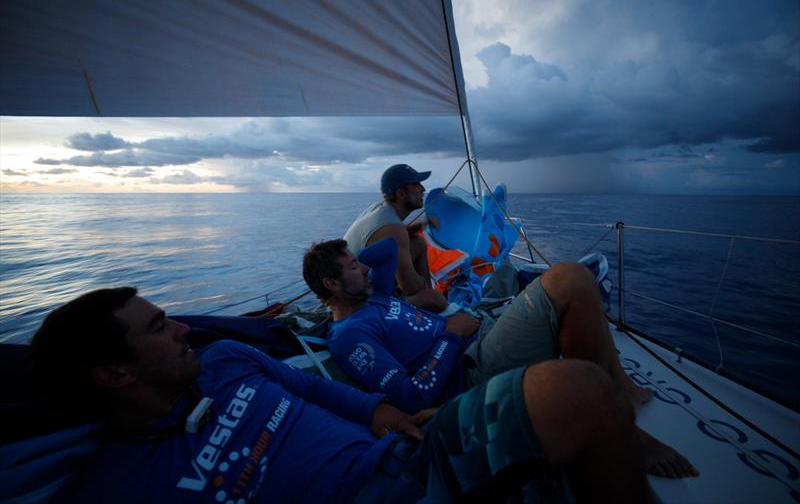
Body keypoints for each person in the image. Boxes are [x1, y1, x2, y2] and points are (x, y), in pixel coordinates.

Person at [30, 287, 653, 503]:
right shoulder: (115, 484)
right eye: (159, 327)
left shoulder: (224, 361)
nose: (186, 327)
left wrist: (381, 413)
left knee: (578, 389)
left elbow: (306, 384)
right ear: (113, 374)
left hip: (406, 456)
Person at [302, 238, 700, 479]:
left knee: (567, 283)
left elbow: (388, 249)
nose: (366, 267)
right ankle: (627, 434)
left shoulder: (370, 295)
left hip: (478, 336)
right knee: (570, 278)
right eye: (354, 266)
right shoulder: (349, 336)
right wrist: (450, 337)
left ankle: (619, 391)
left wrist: (346, 258)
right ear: (331, 284)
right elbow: (412, 398)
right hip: (472, 366)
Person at [343, 163, 447, 312]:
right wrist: (422, 282)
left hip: (353, 287)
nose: (423, 189)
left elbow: (395, 236)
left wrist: (423, 224)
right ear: (401, 194)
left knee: (417, 242)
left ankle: (424, 294)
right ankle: (427, 297)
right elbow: (409, 286)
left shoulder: (379, 209)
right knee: (437, 300)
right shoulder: (392, 226)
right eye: (417, 185)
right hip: (358, 303)